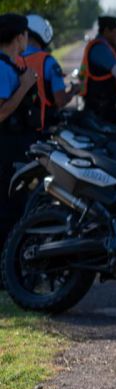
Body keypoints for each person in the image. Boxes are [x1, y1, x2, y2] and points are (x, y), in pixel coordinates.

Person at [0, 14, 37, 247]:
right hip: (6, 148)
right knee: (8, 207)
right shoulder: (3, 68)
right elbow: (1, 112)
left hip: (15, 145)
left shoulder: (11, 64)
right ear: (18, 37)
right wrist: (24, 86)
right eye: (26, 35)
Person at [22, 14, 77, 130]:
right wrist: (73, 91)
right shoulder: (48, 62)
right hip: (44, 127)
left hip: (16, 128)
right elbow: (60, 101)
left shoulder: (11, 59)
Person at [80, 16, 116, 123]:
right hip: (100, 108)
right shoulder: (99, 48)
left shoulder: (103, 46)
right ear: (106, 31)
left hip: (102, 106)